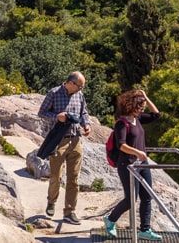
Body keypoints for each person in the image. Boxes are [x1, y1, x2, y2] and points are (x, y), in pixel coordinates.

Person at [103, 89, 163, 241]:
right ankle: (110, 220)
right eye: (140, 106)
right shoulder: (121, 124)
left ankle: (145, 229)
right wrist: (137, 152)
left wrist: (146, 96)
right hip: (128, 165)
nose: (143, 109)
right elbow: (121, 145)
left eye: (143, 106)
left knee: (146, 197)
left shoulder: (138, 119)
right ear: (132, 106)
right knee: (130, 199)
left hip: (142, 164)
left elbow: (156, 114)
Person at [37, 72, 91, 225]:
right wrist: (57, 116)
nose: (81, 89)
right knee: (56, 176)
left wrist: (86, 125)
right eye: (79, 86)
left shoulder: (79, 95)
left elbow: (84, 112)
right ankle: (51, 201)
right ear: (70, 83)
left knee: (74, 178)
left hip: (75, 140)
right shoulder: (53, 93)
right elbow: (41, 113)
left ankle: (69, 211)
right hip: (58, 141)